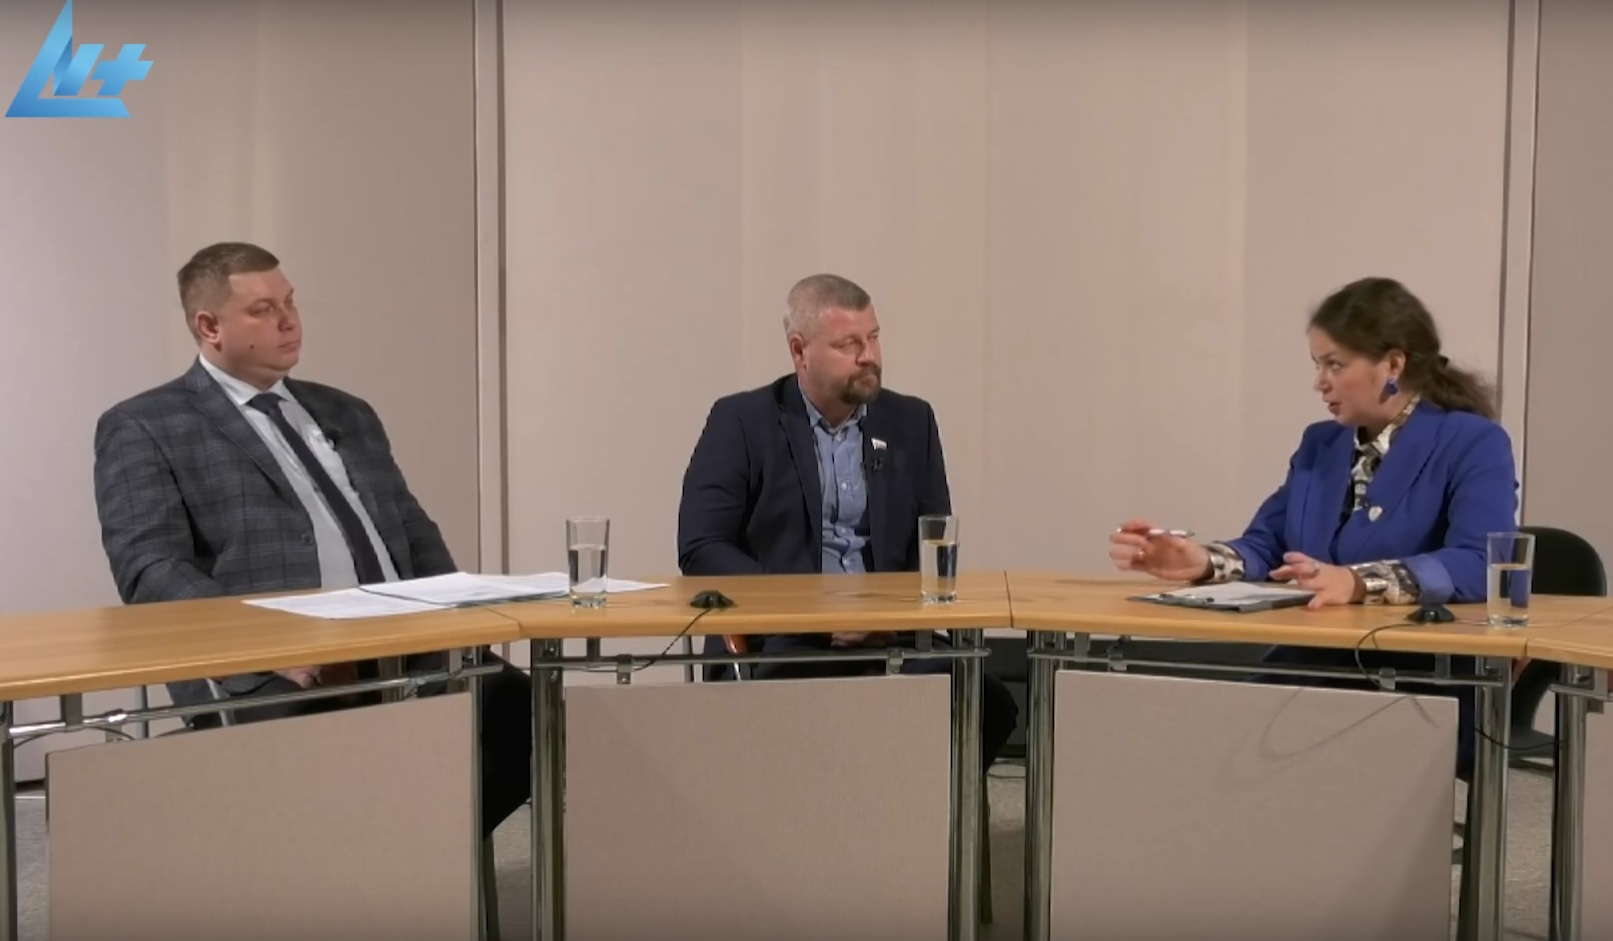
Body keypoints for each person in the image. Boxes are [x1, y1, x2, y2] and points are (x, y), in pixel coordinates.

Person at [91, 241, 531, 837]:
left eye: (290, 302)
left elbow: (410, 528)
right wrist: (262, 642)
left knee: (524, 712)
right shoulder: (146, 424)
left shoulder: (347, 411)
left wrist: (459, 617)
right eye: (263, 309)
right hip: (276, 664)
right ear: (209, 326)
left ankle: (421, 854)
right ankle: (380, 864)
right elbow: (148, 565)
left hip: (404, 643)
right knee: (329, 759)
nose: (288, 321)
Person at [1109, 276, 1518, 777]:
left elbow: (1482, 562)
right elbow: (1269, 544)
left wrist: (1357, 582)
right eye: (1317, 365)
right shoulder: (1320, 443)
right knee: (1199, 741)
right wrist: (1202, 561)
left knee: (1241, 757)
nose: (1320, 382)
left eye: (1335, 365)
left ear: (1393, 365)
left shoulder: (1473, 441)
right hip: (1312, 667)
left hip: (1416, 681)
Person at [676, 273, 1019, 769]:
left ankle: (925, 816)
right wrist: (815, 614)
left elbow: (932, 543)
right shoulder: (743, 422)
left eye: (873, 338)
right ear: (799, 351)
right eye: (848, 344)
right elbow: (702, 546)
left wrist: (887, 618)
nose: (869, 356)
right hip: (780, 643)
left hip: (892, 638)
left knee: (985, 699)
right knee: (809, 717)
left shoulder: (911, 422)